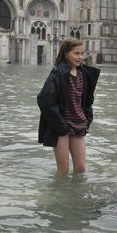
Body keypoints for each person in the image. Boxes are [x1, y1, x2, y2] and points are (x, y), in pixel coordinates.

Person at [37, 38, 100, 173]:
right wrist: (61, 125)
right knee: (63, 169)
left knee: (81, 168)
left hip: (79, 125)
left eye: (82, 54)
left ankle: (77, 194)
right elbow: (44, 99)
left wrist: (87, 120)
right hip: (61, 128)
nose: (80, 57)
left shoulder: (85, 74)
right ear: (66, 53)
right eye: (76, 54)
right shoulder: (57, 73)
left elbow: (88, 101)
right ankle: (59, 194)